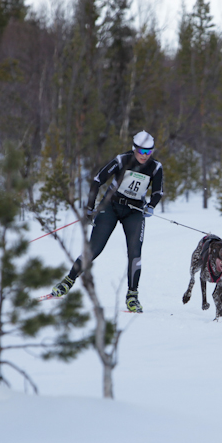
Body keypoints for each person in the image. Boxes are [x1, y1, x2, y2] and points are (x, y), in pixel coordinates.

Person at [51, 130, 164, 313]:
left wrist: (151, 206)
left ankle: (132, 296)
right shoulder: (122, 160)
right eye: (142, 151)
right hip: (110, 207)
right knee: (94, 250)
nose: (145, 156)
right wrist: (89, 208)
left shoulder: (156, 167)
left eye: (149, 152)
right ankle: (67, 281)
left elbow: (158, 191)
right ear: (134, 149)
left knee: (135, 252)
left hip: (134, 211)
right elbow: (97, 180)